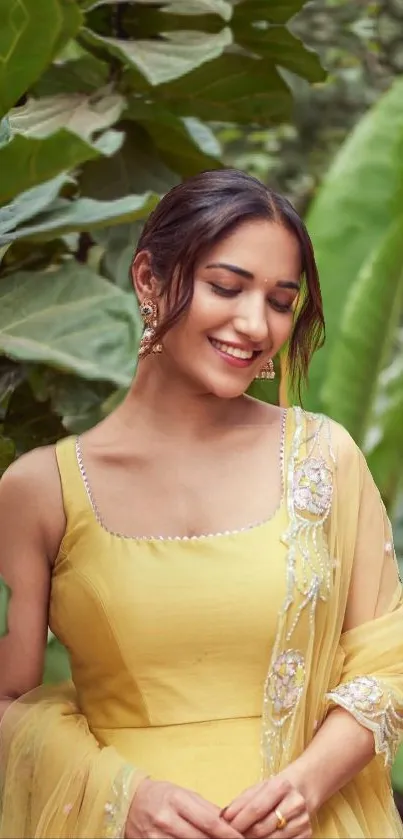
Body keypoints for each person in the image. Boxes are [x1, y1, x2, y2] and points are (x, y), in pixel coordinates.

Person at [0, 169, 402, 839]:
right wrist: (120, 795)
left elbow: (387, 661)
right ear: (148, 279)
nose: (254, 324)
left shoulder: (323, 459)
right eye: (226, 287)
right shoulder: (40, 486)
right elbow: (7, 698)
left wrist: (305, 786)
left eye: (280, 300)